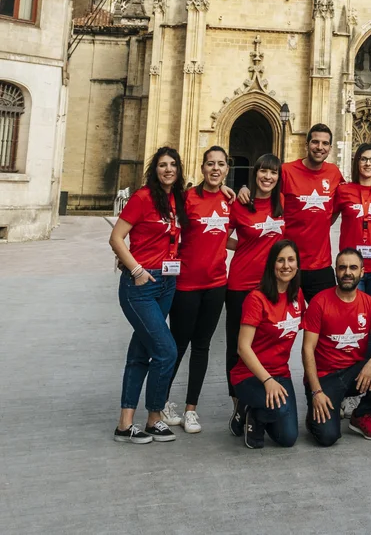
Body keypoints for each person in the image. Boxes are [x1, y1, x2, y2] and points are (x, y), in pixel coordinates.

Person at [109, 145, 188, 444]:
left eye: (172, 165)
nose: (168, 169)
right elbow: (116, 238)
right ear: (154, 170)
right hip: (140, 285)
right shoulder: (143, 198)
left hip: (167, 282)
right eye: (162, 165)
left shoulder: (177, 199)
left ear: (179, 170)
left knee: (140, 353)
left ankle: (125, 424)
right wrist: (137, 270)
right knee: (166, 351)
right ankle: (154, 418)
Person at [162, 145, 232, 433]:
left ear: (227, 169)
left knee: (201, 347)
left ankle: (191, 409)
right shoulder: (186, 199)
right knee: (177, 346)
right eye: (210, 164)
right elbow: (168, 234)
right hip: (186, 285)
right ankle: (162, 402)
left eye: (221, 164)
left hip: (216, 285)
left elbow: (229, 238)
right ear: (202, 168)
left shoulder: (231, 202)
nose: (215, 169)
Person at [302, 247, 371, 445]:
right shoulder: (319, 302)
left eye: (353, 268)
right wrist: (316, 392)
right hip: (325, 377)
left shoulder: (370, 304)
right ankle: (314, 414)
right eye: (342, 268)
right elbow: (307, 349)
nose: (347, 272)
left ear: (362, 272)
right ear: (336, 271)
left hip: (355, 373)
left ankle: (361, 415)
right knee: (327, 437)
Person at [225, 154, 285, 436]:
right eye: (262, 171)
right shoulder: (241, 203)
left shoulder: (282, 204)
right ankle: (239, 403)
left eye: (273, 173)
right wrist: (244, 246)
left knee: (263, 342)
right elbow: (221, 235)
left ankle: (256, 393)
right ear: (255, 173)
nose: (267, 177)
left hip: (270, 287)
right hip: (241, 284)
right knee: (236, 346)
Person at [230, 239, 304, 450]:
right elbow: (242, 347)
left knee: (288, 438)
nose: (286, 265)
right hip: (250, 375)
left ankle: (254, 411)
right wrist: (267, 380)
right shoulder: (256, 298)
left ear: (297, 265)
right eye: (280, 260)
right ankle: (250, 411)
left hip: (281, 373)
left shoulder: (297, 295)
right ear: (272, 265)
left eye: (291, 260)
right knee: (278, 410)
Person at [279, 123, 344, 303]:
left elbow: (346, 199)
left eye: (325, 143)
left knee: (327, 320)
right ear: (306, 145)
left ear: (330, 148)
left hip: (320, 265)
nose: (319, 147)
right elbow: (265, 195)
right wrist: (245, 190)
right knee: (282, 322)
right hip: (288, 262)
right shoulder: (287, 171)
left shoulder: (334, 173)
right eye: (315, 142)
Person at [334, 144, 371, 305]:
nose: (368, 163)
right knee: (354, 315)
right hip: (350, 266)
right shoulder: (343, 190)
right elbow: (328, 219)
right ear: (357, 162)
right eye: (364, 159)